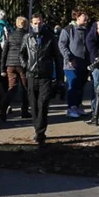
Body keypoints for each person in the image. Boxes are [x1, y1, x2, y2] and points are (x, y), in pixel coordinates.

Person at [21, 13, 59, 146]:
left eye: (40, 23)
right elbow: (22, 54)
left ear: (43, 23)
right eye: (35, 23)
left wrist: (59, 77)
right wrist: (27, 66)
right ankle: (37, 127)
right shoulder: (27, 37)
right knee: (34, 104)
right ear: (31, 24)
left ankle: (40, 132)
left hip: (45, 76)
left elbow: (57, 57)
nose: (37, 25)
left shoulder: (50, 37)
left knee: (43, 103)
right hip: (32, 76)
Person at [58, 8, 91, 119]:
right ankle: (71, 107)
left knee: (81, 86)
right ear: (77, 17)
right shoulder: (68, 30)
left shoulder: (87, 30)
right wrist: (69, 58)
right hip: (71, 65)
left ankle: (78, 105)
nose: (86, 19)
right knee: (73, 85)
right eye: (84, 16)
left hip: (84, 63)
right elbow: (62, 45)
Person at [0, 16, 31, 120]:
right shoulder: (27, 36)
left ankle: (3, 108)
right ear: (25, 24)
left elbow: (4, 52)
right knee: (25, 88)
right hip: (22, 65)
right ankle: (24, 111)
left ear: (16, 24)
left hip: (10, 64)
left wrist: (2, 68)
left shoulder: (10, 36)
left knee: (12, 88)